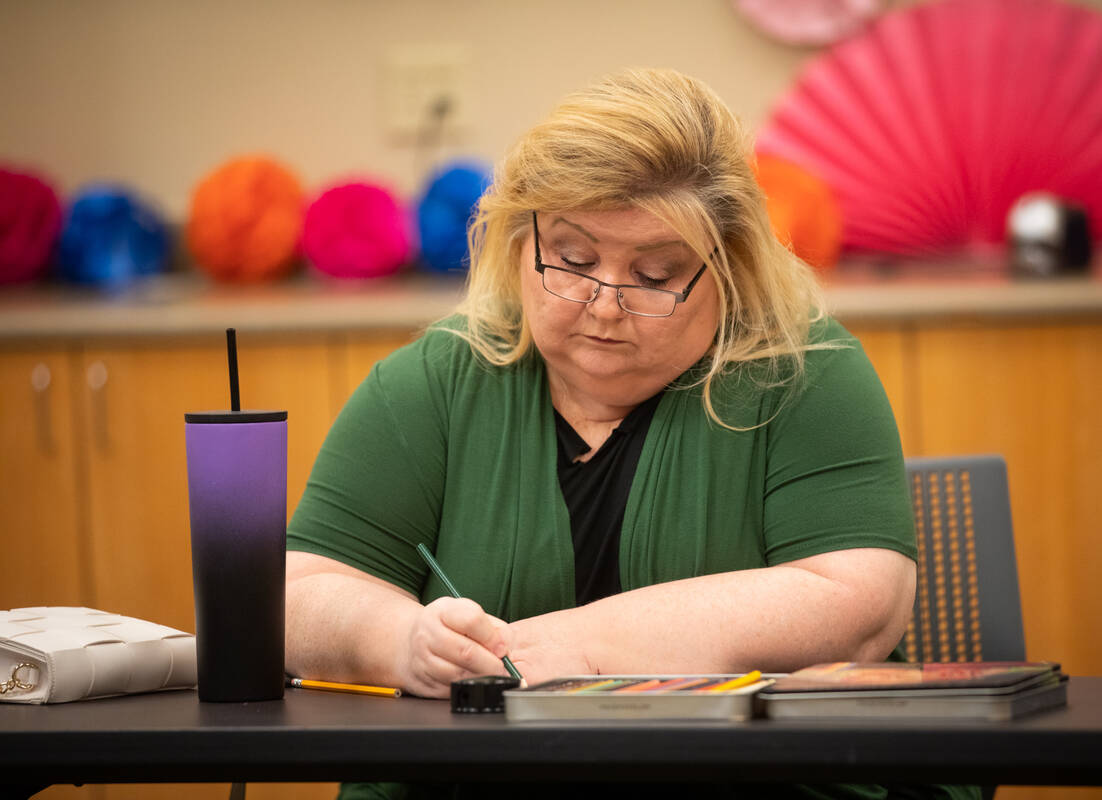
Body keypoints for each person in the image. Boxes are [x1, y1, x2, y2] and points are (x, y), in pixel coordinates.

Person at [285, 68, 977, 800]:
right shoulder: (433, 383)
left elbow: (860, 607)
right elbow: (295, 597)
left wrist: (569, 649)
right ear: (520, 242)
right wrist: (398, 640)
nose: (605, 305)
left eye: (655, 274)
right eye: (574, 261)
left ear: (730, 268)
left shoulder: (804, 373)